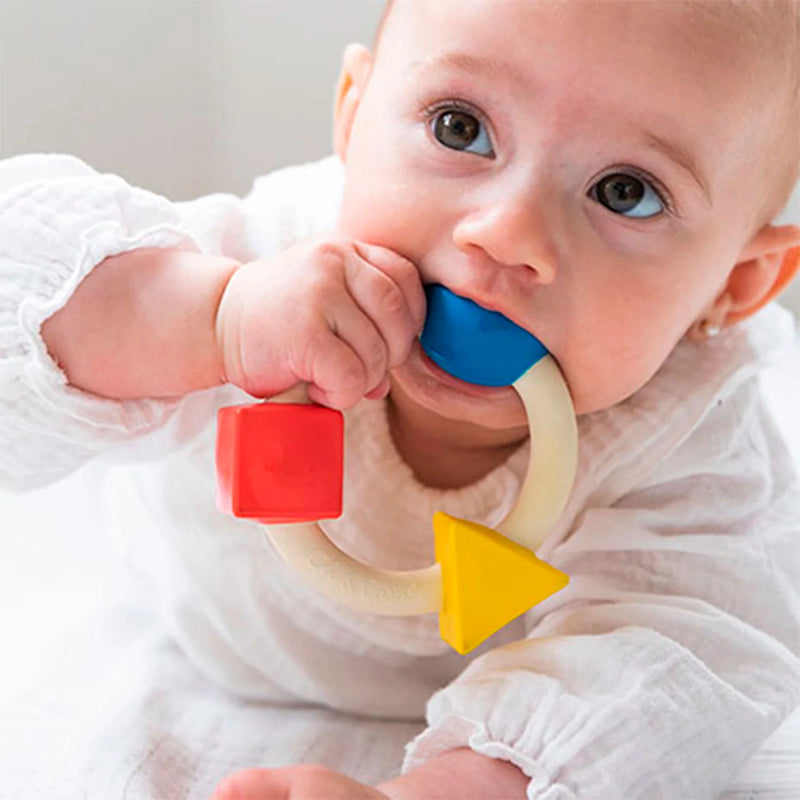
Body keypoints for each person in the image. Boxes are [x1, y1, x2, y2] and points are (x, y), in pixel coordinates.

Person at [1, 0, 799, 797]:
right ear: (354, 117)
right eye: (459, 127)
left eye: (625, 192)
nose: (506, 232)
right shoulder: (266, 263)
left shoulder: (692, 428)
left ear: (735, 284)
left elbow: (677, 660)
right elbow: (22, 286)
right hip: (200, 616)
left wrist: (455, 788)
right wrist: (206, 317)